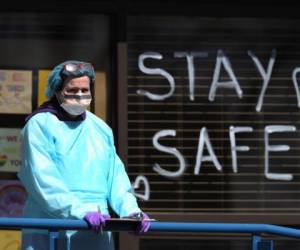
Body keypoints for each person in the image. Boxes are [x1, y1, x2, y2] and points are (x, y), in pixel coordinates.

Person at [18, 60, 150, 250]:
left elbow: (116, 177)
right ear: (57, 91)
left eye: (84, 90)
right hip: (51, 228)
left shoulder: (100, 128)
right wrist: (80, 212)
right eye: (72, 90)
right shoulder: (39, 125)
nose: (80, 95)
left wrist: (131, 211)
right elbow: (42, 179)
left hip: (97, 227)